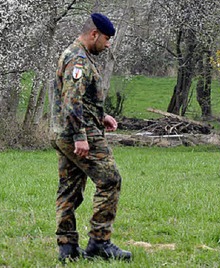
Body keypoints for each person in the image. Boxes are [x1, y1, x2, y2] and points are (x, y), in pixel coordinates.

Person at [51, 13, 132, 262]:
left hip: (63, 131)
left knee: (70, 187)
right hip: (78, 132)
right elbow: (71, 99)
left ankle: (67, 248)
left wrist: (102, 115)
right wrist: (80, 137)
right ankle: (100, 241)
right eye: (106, 39)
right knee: (110, 180)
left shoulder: (74, 54)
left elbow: (78, 97)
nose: (108, 45)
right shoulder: (78, 59)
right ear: (94, 34)